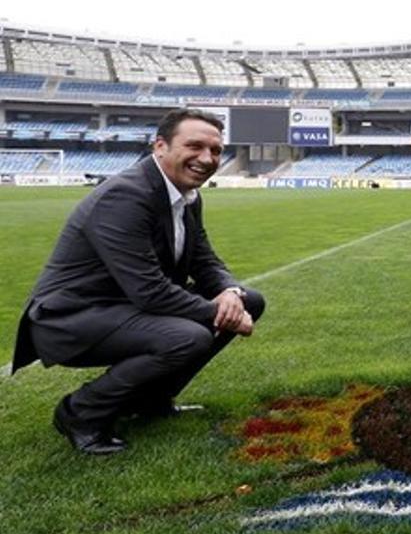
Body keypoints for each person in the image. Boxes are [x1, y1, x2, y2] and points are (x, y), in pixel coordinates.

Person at [10, 109, 265, 455]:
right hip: (71, 317)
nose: (207, 159)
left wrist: (231, 294)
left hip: (122, 305)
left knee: (250, 299)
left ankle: (150, 400)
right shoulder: (126, 196)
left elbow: (204, 260)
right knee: (187, 337)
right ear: (160, 146)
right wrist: (220, 313)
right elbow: (150, 291)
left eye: (216, 150)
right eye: (194, 146)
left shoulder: (185, 195)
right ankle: (80, 413)